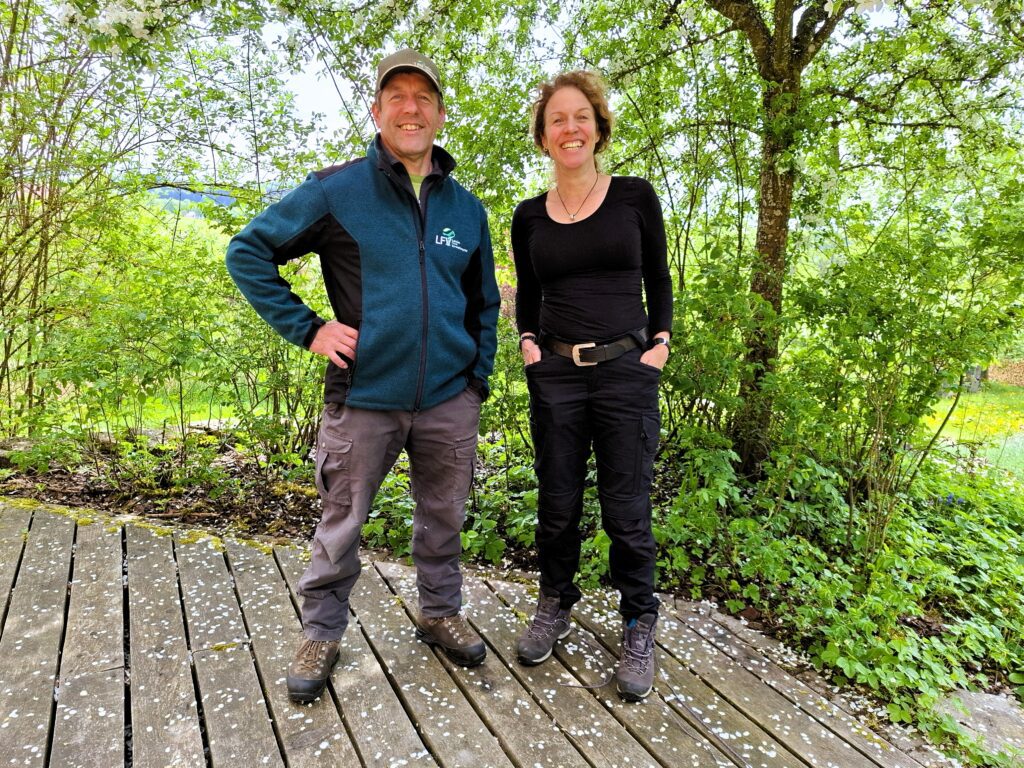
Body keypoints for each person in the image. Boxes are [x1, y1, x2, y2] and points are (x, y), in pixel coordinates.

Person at [226, 49, 500, 704]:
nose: (411, 108)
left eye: (423, 98)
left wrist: (475, 383)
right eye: (397, 97)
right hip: (365, 396)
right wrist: (310, 328)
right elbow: (249, 251)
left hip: (447, 401)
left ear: (439, 113)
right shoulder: (337, 190)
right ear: (376, 112)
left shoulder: (468, 211)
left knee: (443, 516)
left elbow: (484, 304)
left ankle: (439, 611)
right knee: (342, 521)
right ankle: (321, 630)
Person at [510, 71, 672, 701]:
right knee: (557, 502)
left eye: (580, 116)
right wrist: (527, 341)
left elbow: (658, 279)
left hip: (626, 372)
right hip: (555, 373)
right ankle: (555, 600)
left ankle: (639, 623)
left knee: (626, 507)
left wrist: (660, 344)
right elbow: (529, 287)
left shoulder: (634, 197)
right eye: (557, 120)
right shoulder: (529, 215)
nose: (570, 128)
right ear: (544, 137)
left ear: (598, 127)